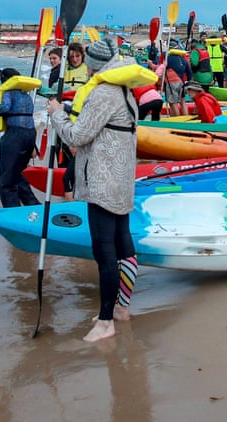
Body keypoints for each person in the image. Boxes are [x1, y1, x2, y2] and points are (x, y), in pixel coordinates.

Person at [47, 40, 141, 343]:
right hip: (122, 177)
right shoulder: (125, 90)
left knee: (105, 253)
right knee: (123, 245)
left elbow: (77, 134)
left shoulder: (103, 92)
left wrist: (56, 113)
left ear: (92, 64)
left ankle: (105, 322)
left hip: (103, 180)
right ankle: (121, 310)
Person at [0, 68, 40, 208]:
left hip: (15, 136)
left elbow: (5, 108)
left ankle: (12, 210)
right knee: (19, 174)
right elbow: (27, 118)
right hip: (30, 134)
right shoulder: (26, 95)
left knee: (7, 180)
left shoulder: (9, 93)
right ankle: (33, 206)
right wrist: (33, 146)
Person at [162, 47, 191, 117]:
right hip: (181, 83)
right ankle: (185, 118)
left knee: (172, 103)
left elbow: (161, 70)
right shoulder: (184, 60)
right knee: (183, 102)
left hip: (171, 83)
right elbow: (189, 73)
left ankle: (177, 120)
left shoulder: (167, 59)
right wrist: (186, 83)